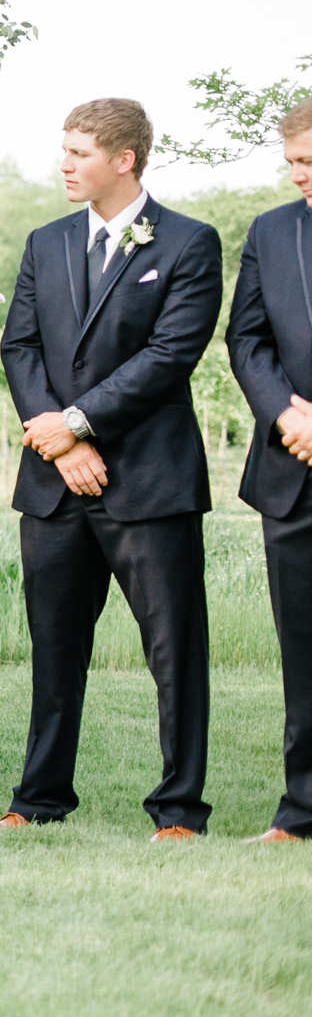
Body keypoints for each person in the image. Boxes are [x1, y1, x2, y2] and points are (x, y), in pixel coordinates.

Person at [0, 98, 221, 841]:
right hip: (55, 486)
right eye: (63, 150)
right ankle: (39, 799)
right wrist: (60, 442)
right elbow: (19, 348)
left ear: (125, 159)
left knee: (174, 653)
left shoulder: (189, 243)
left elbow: (169, 357)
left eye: (80, 152)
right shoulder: (45, 241)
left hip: (150, 483)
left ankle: (179, 809)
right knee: (55, 650)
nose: (64, 164)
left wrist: (81, 422)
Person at [223, 93, 312, 845]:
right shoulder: (272, 231)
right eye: (290, 163)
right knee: (303, 651)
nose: (297, 178)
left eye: (308, 162)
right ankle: (303, 808)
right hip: (292, 471)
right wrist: (286, 413)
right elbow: (245, 338)